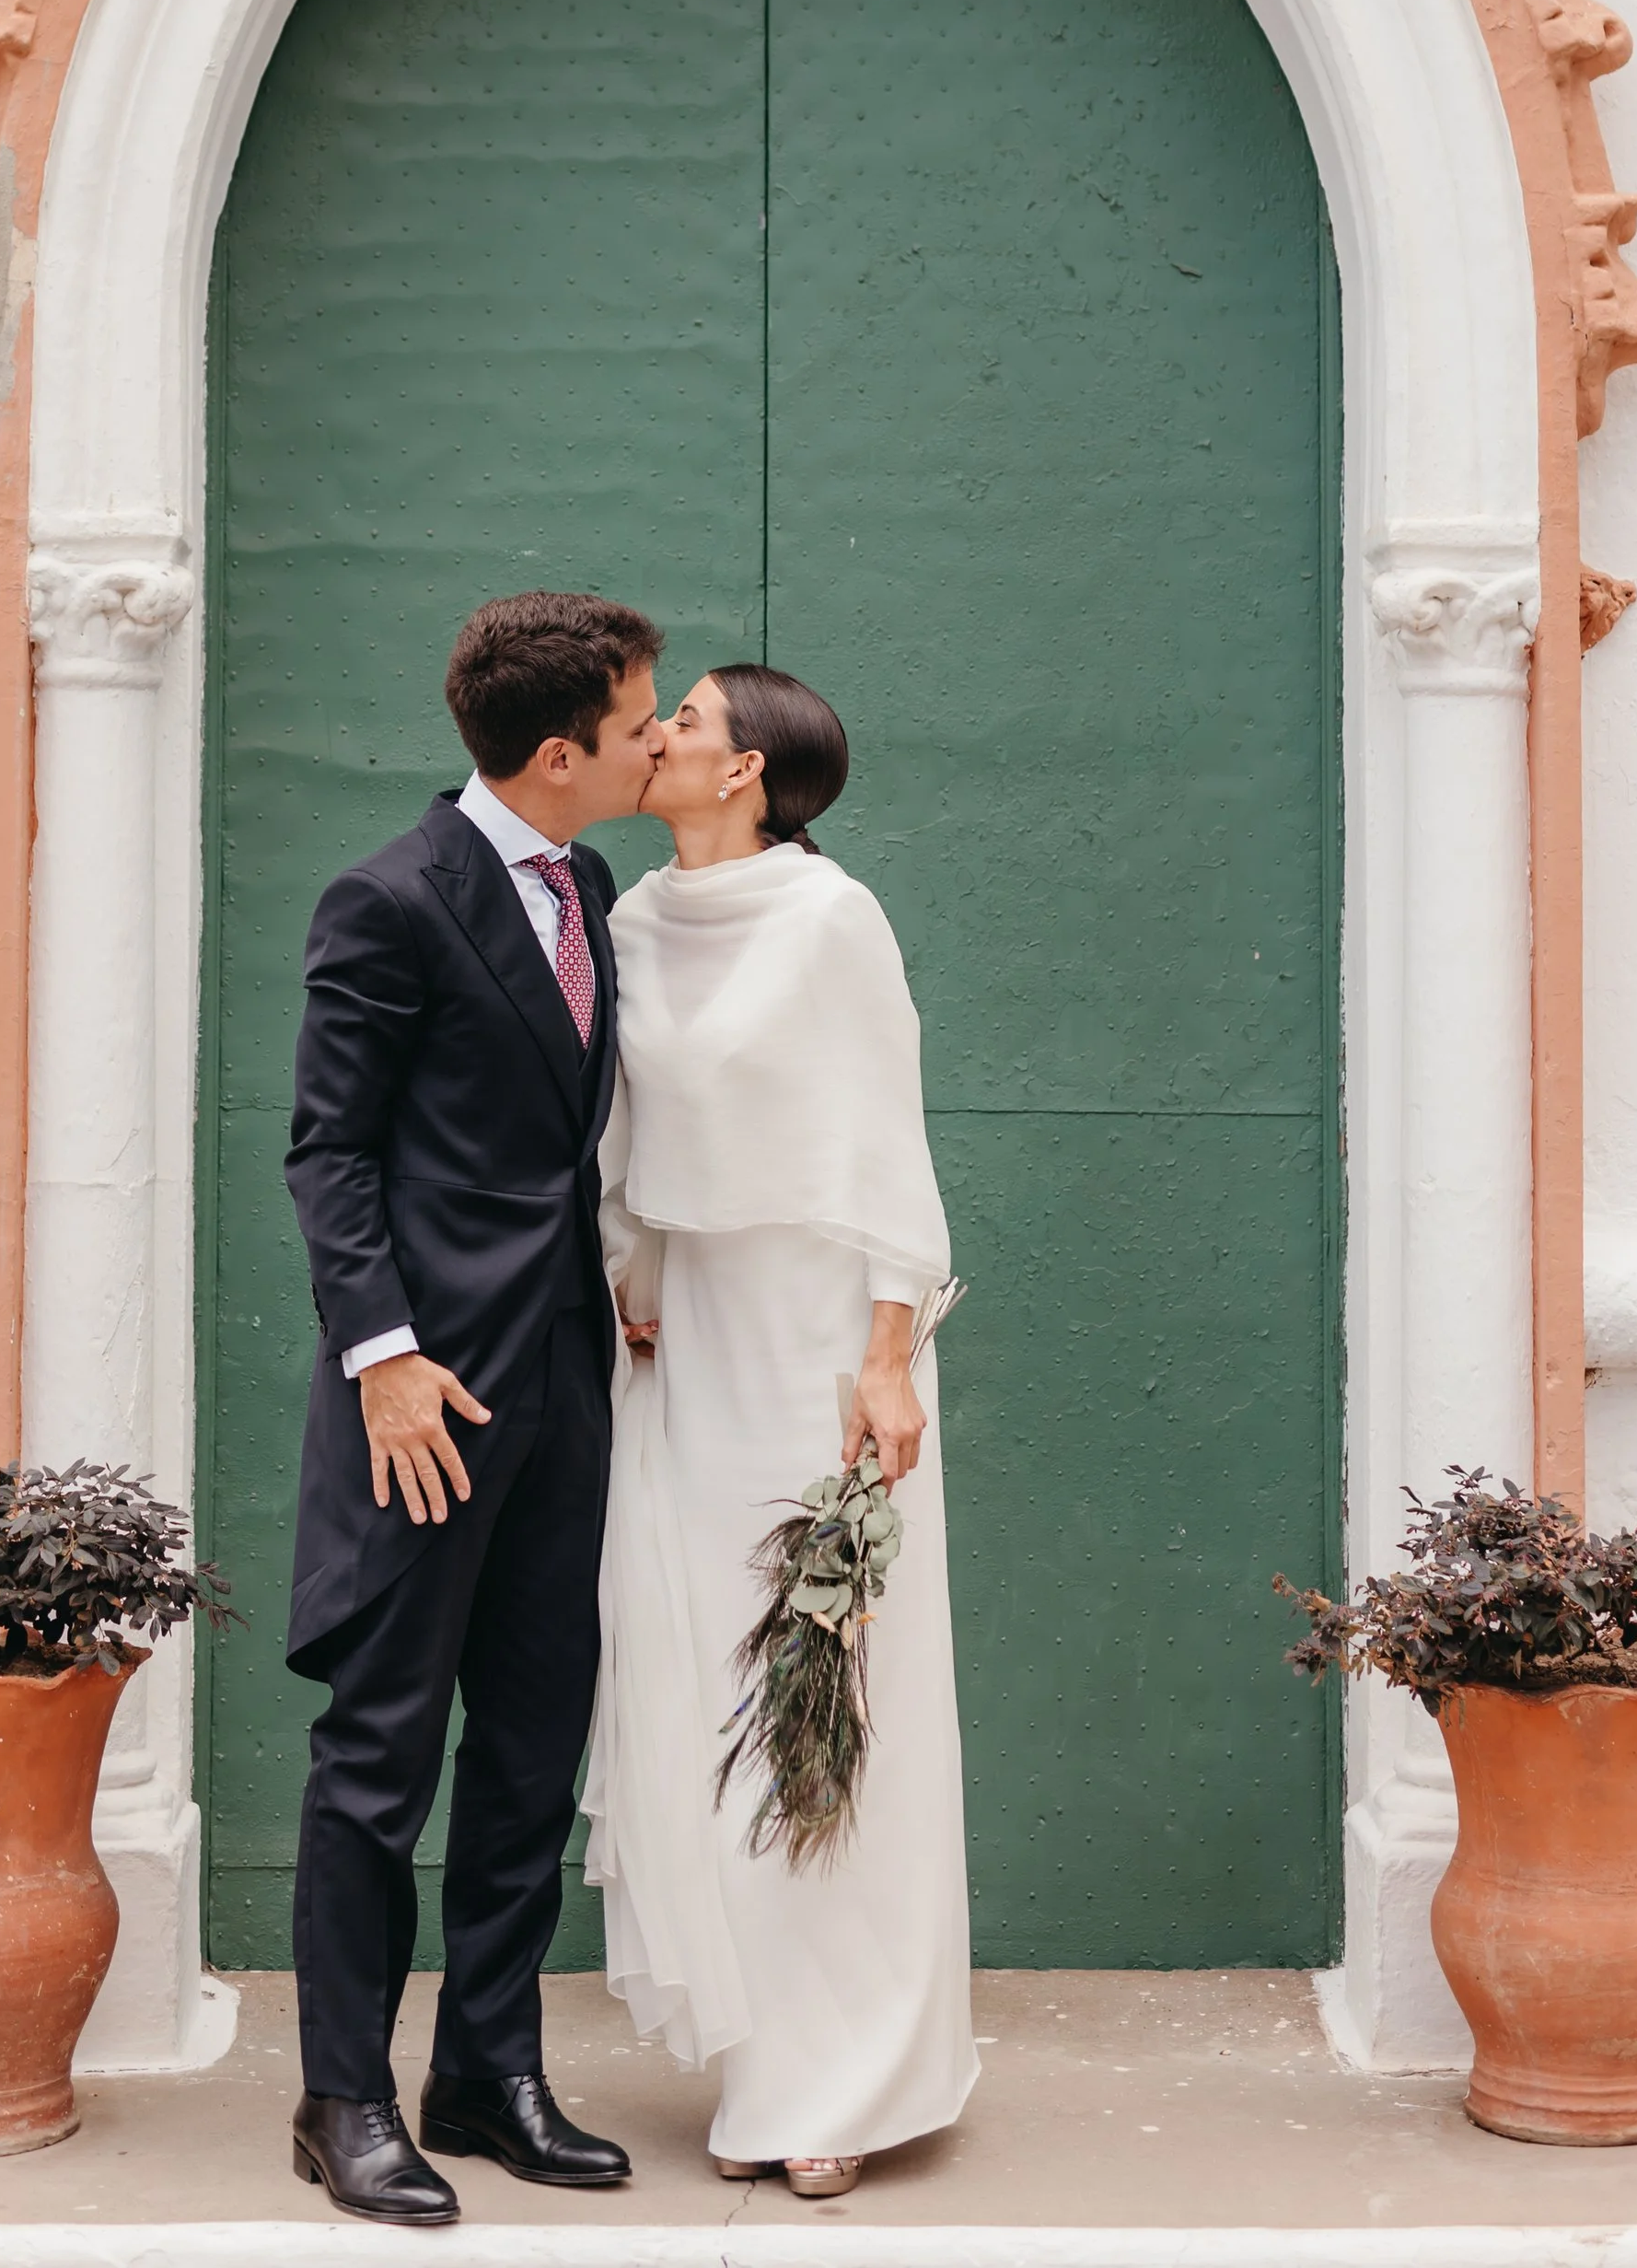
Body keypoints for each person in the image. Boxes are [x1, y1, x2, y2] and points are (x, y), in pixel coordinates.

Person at [283, 591, 663, 2225]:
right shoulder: (390, 897)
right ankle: (344, 2095)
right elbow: (330, 1149)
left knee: (528, 1738)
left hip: (566, 1381)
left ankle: (487, 2069)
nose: (663, 738)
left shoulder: (591, 881)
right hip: (423, 1396)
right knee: (380, 1752)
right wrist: (381, 1356)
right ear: (563, 746)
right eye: (644, 718)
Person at [585, 666, 978, 2196]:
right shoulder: (627, 922)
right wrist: (636, 1279)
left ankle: (853, 2078)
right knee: (708, 1686)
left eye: (682, 716)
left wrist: (892, 1357)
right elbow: (625, 1141)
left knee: (832, 1688)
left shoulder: (832, 918)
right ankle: (765, 2048)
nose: (658, 732)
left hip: (824, 1338)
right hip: (691, 1344)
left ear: (748, 767)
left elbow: (889, 1139)